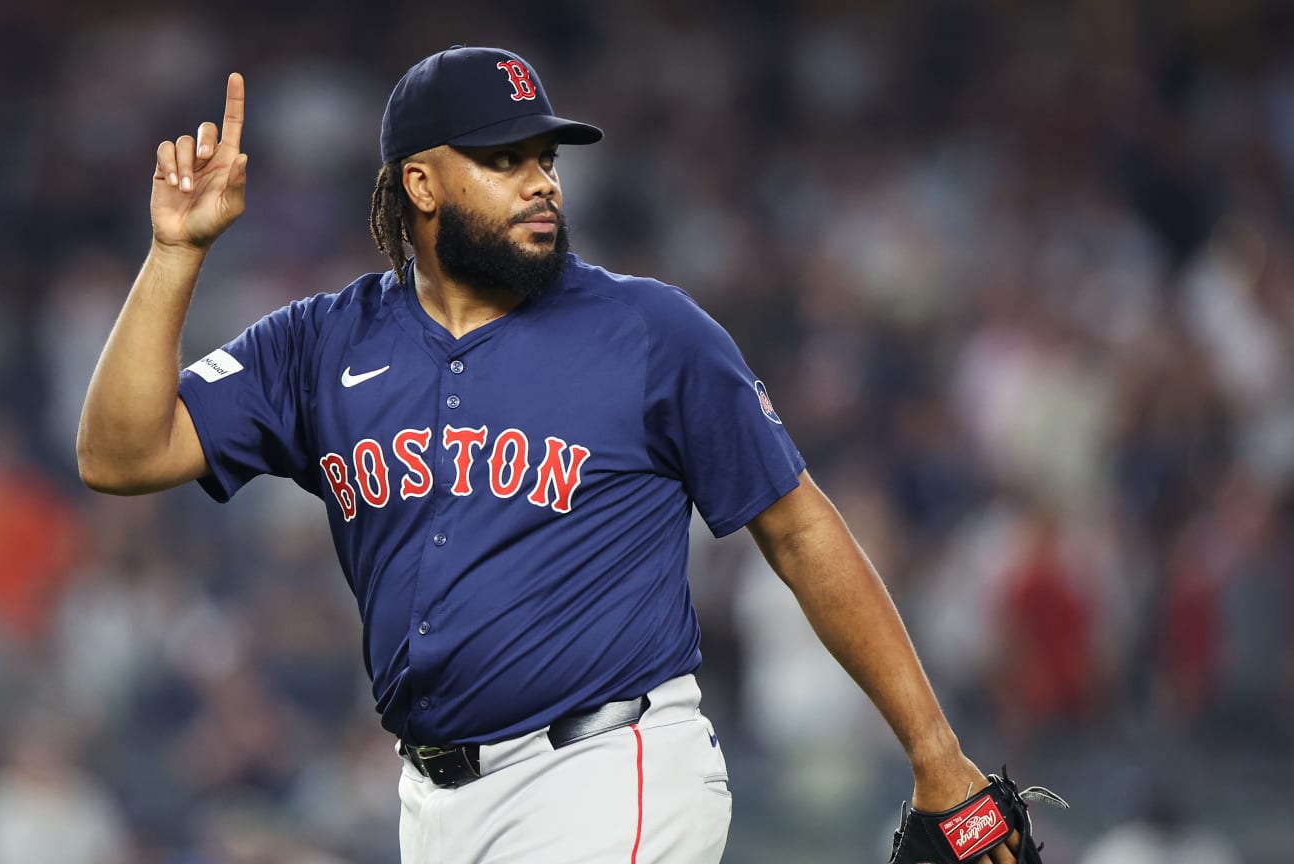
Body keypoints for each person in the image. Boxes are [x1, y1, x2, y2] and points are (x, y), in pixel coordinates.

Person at [77, 46, 1019, 863]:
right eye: (502, 158)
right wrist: (175, 255)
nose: (541, 181)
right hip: (432, 802)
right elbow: (119, 454)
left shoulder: (650, 332)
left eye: (544, 156)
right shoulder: (322, 344)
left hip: (608, 770)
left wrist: (935, 753)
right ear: (420, 184)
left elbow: (799, 527)